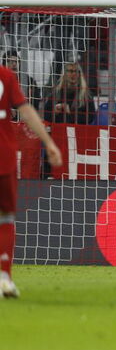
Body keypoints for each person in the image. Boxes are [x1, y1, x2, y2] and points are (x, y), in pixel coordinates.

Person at [1, 57, 63, 298]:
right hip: (4, 157)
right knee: (5, 218)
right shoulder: (6, 75)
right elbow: (25, 110)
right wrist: (48, 142)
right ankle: (4, 277)